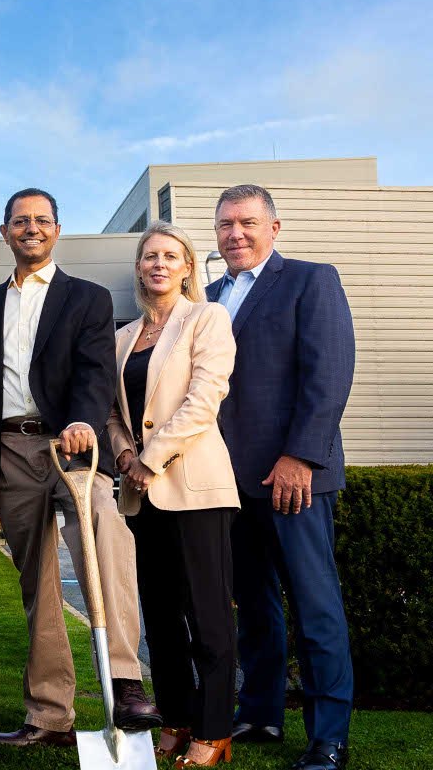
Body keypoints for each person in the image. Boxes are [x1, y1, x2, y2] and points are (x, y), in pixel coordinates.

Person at [0, 187, 160, 748]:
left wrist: (82, 420)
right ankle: (51, 715)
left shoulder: (87, 298)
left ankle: (126, 681)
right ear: (5, 231)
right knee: (39, 580)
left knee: (105, 528)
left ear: (57, 230)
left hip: (72, 445)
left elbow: (95, 372)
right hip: (10, 450)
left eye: (42, 220)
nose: (31, 228)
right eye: (20, 220)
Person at [206, 185, 355, 770]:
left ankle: (329, 737)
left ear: (274, 227)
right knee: (256, 608)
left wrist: (303, 456)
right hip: (229, 482)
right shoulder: (209, 297)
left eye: (246, 222)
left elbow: (329, 372)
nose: (235, 234)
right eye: (224, 225)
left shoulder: (310, 280)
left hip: (294, 477)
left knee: (315, 606)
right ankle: (261, 712)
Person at [107, 222, 238, 767]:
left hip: (196, 487)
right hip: (141, 494)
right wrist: (122, 458)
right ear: (139, 268)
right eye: (149, 256)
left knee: (207, 616)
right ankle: (179, 719)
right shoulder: (122, 338)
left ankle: (215, 729)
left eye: (170, 255)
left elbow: (206, 397)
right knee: (159, 616)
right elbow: (111, 412)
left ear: (186, 267)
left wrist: (150, 459)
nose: (158, 263)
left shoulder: (207, 319)